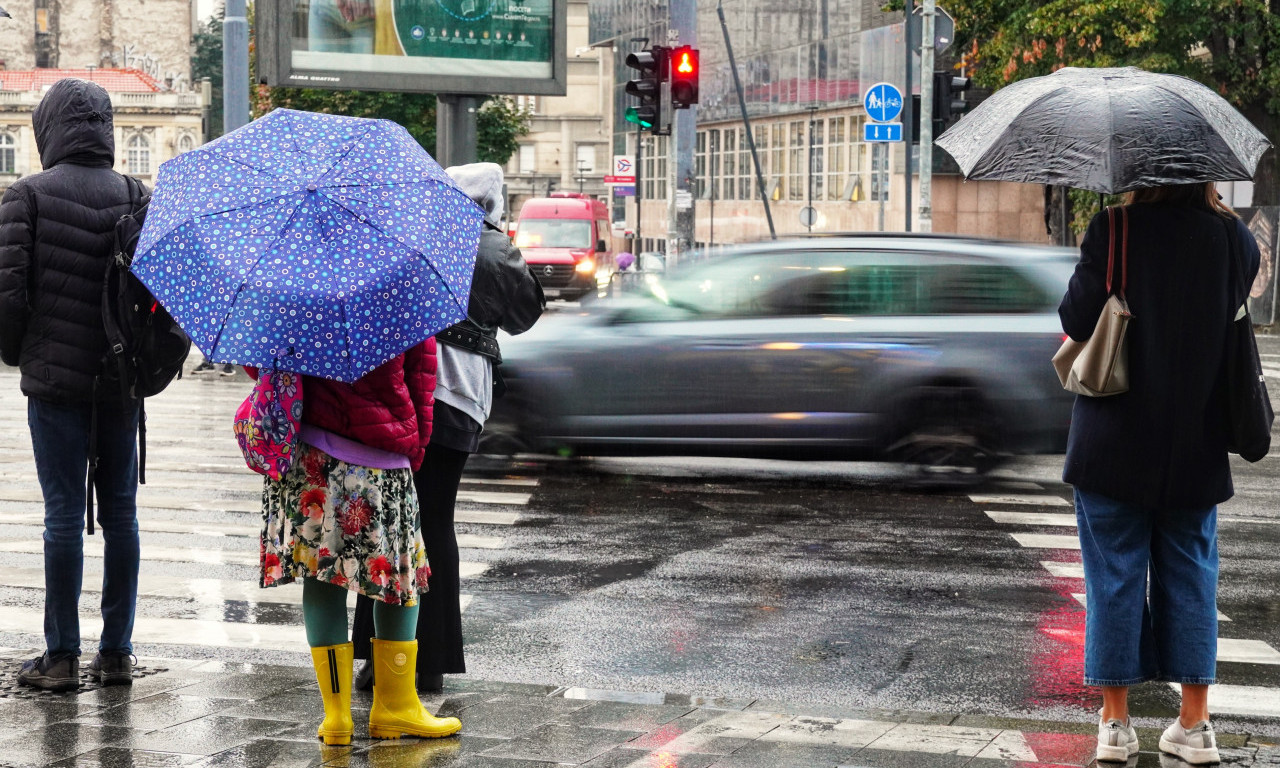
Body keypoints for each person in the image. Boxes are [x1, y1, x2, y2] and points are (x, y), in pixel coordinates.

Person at [1059, 182, 1259, 766]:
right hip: (1195, 443)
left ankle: (1116, 724)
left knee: (1114, 577)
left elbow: (1075, 317)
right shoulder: (1234, 238)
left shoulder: (1114, 229)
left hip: (1112, 442)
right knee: (1194, 574)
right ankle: (1194, 726)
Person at [351, 162, 544, 692]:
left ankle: (374, 657)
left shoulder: (411, 231)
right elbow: (526, 313)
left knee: (389, 519)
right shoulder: (493, 249)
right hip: (458, 398)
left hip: (400, 393)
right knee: (435, 521)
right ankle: (429, 661)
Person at [0, 79, 145, 691]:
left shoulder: (26, 195)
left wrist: (19, 354)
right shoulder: (137, 194)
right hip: (120, 384)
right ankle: (116, 653)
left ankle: (60, 656)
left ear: (48, 129)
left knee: (62, 515)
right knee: (121, 514)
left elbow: (8, 294)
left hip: (55, 385)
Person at [255, 337, 461, 743]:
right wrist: (414, 451)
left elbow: (260, 365)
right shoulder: (401, 284)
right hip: (382, 452)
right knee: (398, 578)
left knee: (321, 576)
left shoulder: (297, 284)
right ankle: (395, 706)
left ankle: (336, 718)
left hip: (311, 449)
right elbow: (420, 380)